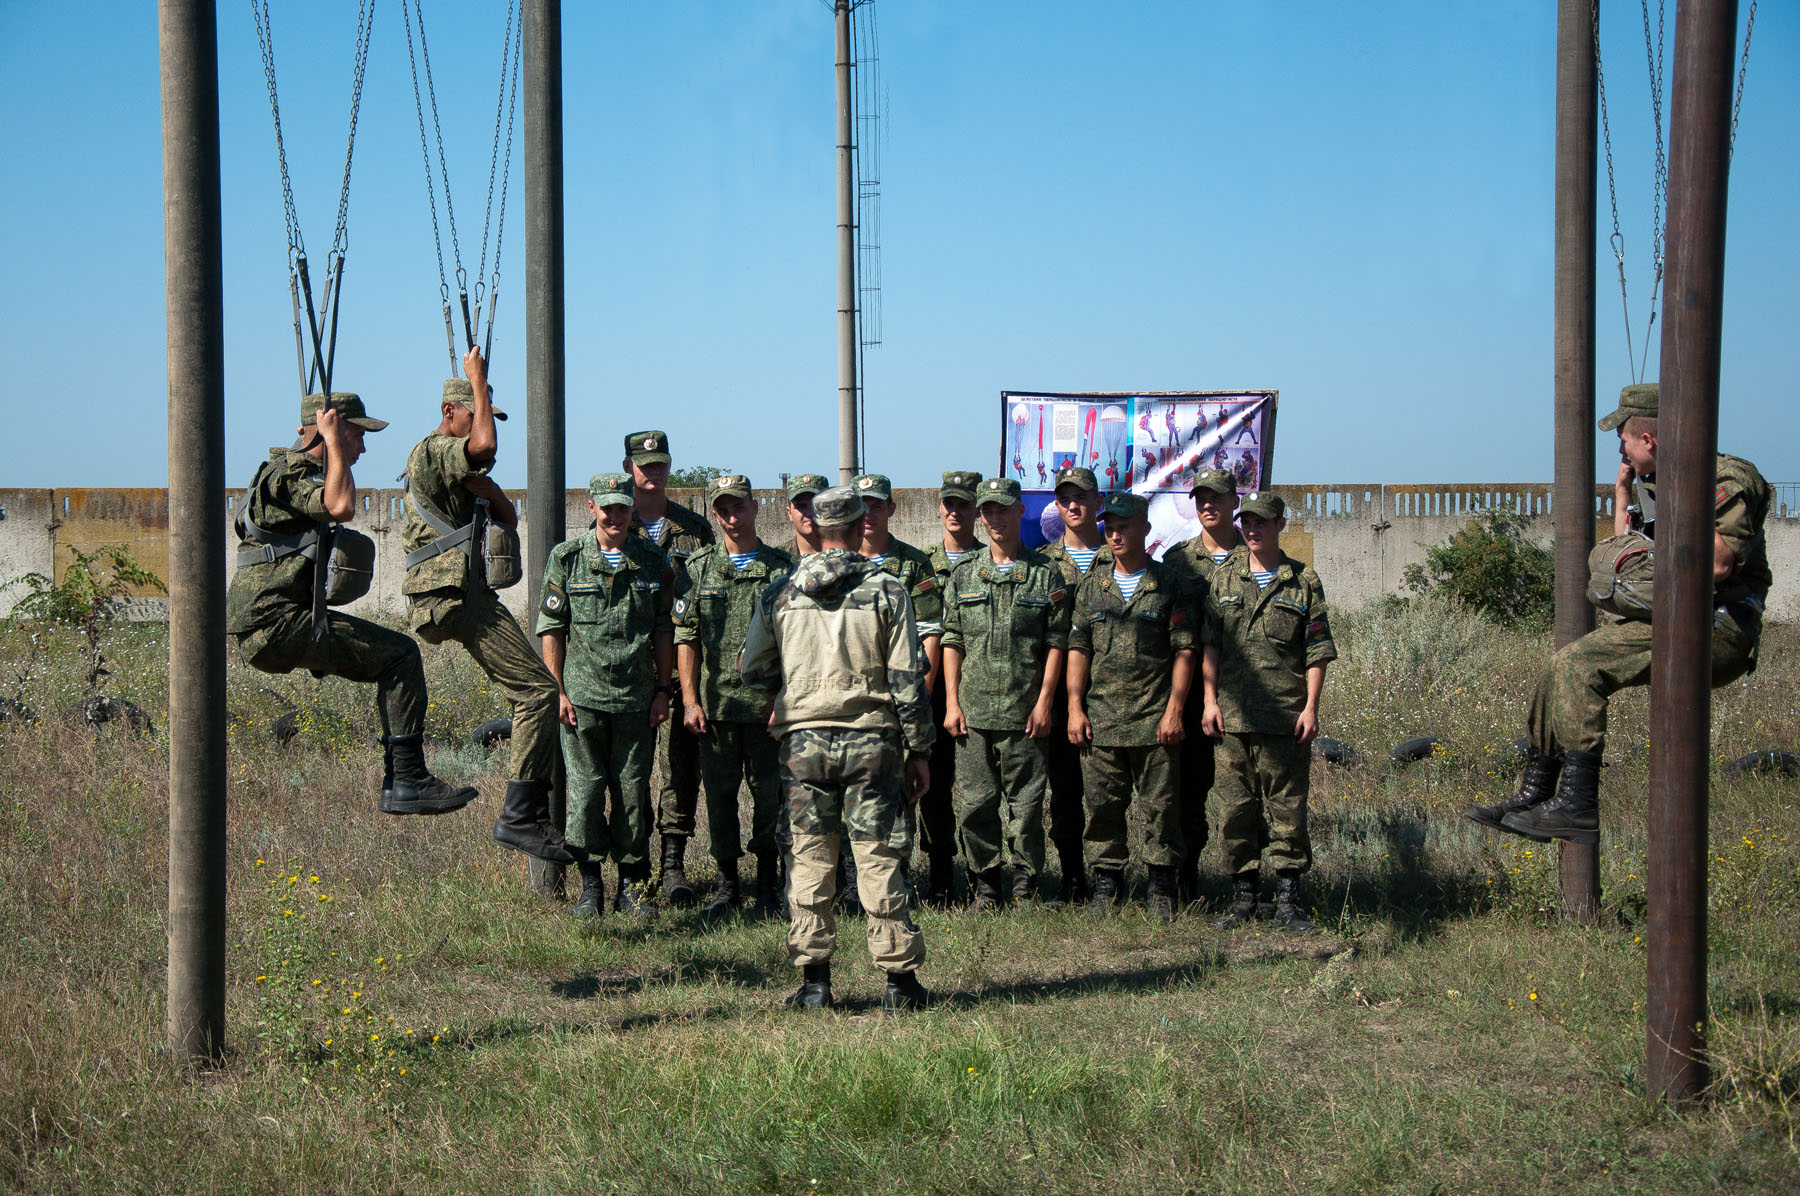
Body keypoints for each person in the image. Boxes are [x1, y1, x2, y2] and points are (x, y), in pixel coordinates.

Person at [1467, 383, 1771, 845]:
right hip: (1679, 615)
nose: (1621, 451)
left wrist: (1676, 504)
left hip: (1719, 626)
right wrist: (1624, 491)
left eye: (1623, 440)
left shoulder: (1723, 480)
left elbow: (1717, 564)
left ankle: (1577, 805)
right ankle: (1536, 793)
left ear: (1649, 439)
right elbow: (1626, 551)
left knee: (1579, 666)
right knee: (1557, 667)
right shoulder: (1655, 481)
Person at [227, 393, 479, 818]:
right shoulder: (289, 475)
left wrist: (332, 448)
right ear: (335, 429)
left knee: (393, 656)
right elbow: (340, 506)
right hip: (274, 623)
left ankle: (403, 780)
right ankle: (407, 780)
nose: (362, 447)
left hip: (277, 621)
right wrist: (332, 444)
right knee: (401, 656)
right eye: (357, 435)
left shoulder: (291, 474)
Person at [740, 486, 934, 1011]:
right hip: (873, 741)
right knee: (879, 856)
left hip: (803, 743)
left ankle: (815, 984)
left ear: (819, 526)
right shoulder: (888, 589)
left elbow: (752, 669)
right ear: (857, 524)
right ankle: (899, 984)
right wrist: (920, 749)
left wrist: (788, 697)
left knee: (808, 855)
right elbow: (907, 680)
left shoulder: (780, 592)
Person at [400, 346, 573, 865]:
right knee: (539, 691)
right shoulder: (433, 451)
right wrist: (477, 376)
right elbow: (483, 446)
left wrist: (490, 487)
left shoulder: (463, 473)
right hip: (449, 593)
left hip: (462, 594)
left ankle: (526, 813)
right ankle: (521, 816)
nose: (485, 426)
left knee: (535, 691)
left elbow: (507, 517)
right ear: (450, 411)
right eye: (476, 413)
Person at [537, 473, 676, 919]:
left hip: (637, 700)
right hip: (583, 700)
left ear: (632, 508)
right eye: (607, 507)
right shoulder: (567, 558)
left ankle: (631, 886)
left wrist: (663, 689)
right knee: (586, 793)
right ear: (592, 507)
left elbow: (664, 630)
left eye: (622, 507)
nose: (615, 516)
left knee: (632, 794)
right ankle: (591, 885)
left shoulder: (652, 560)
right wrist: (558, 691)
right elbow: (552, 629)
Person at [1199, 492, 1335, 933]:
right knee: (1235, 810)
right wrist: (1209, 701)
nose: (1253, 529)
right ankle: (1243, 897)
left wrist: (1311, 707)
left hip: (1284, 717)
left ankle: (1288, 900)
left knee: (1287, 810)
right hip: (1232, 719)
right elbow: (1210, 645)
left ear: (1280, 525)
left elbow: (1317, 650)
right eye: (1248, 522)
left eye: (1262, 522)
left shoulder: (1303, 581)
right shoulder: (1224, 578)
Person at [1066, 491, 1198, 922]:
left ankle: (1160, 885)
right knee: (1102, 808)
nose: (1115, 535)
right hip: (1101, 719)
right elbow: (1079, 649)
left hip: (1153, 719)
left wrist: (1175, 710)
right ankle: (1107, 883)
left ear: (1145, 528)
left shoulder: (1170, 585)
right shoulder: (1092, 587)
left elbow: (1184, 650)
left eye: (1124, 526)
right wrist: (1074, 708)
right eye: (1110, 528)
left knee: (1161, 808)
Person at [941, 477, 1071, 907]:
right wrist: (952, 703)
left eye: (1003, 510)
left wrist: (1045, 703)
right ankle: (985, 884)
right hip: (974, 711)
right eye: (988, 511)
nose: (995, 518)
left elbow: (1056, 642)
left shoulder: (1045, 573)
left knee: (1027, 805)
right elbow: (953, 640)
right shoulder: (964, 573)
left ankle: (1024, 883)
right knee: (976, 804)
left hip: (1024, 710)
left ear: (1020, 511)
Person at [672, 473, 795, 918]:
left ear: (755, 507)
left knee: (769, 800)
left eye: (739, 506)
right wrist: (690, 700)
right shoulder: (698, 568)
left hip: (766, 711)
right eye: (723, 509)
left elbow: (795, 642)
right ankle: (727, 886)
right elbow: (687, 638)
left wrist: (785, 702)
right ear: (714, 514)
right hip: (717, 709)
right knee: (720, 801)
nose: (731, 516)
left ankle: (767, 884)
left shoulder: (782, 569)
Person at [622, 430, 715, 907]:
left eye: (660, 463)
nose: (653, 472)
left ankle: (673, 865)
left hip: (681, 669)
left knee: (681, 768)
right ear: (628, 468)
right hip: (630, 669)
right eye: (644, 465)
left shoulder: (694, 529)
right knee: (631, 772)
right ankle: (634, 868)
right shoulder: (614, 523)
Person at [850, 472, 944, 911]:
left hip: (898, 702)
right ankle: (850, 886)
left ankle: (897, 883)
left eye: (876, 504)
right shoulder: (839, 563)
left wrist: (916, 703)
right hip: (851, 702)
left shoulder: (913, 564)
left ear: (892, 508)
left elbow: (930, 636)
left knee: (896, 796)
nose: (869, 513)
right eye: (861, 505)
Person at [1160, 468, 1245, 902]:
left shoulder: (1254, 556)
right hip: (1189, 695)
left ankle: (1246, 885)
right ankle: (1185, 876)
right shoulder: (1177, 561)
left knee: (1241, 794)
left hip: (1243, 694)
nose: (1208, 505)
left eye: (1217, 498)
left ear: (1235, 501)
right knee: (1185, 789)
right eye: (1201, 499)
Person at [1035, 465, 1112, 904]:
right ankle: (1072, 878)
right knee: (1064, 793)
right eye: (1065, 499)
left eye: (1081, 497)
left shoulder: (1119, 557)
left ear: (1098, 503)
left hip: (1112, 695)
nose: (1074, 506)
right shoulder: (1042, 564)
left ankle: (1108, 879)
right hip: (1059, 699)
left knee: (1105, 795)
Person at [920, 470, 985, 905]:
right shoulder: (922, 563)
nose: (955, 511)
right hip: (931, 693)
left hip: (977, 692)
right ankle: (941, 873)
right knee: (933, 787)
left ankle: (986, 873)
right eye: (949, 504)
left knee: (981, 790)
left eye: (963, 504)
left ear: (977, 510)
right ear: (939, 507)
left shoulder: (991, 560)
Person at [784, 473, 830, 558]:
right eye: (801, 506)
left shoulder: (847, 558)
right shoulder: (776, 560)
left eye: (816, 505)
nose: (809, 513)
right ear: (789, 513)